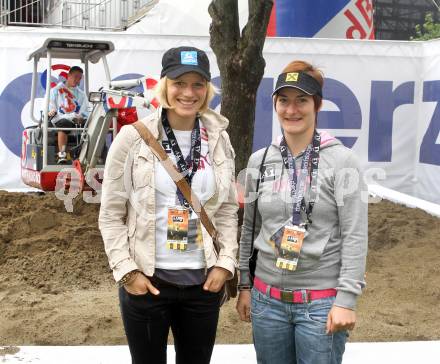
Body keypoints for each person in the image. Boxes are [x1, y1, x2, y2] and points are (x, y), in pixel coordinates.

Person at [99, 46, 238, 364]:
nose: (188, 93)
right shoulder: (132, 138)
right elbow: (110, 214)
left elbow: (227, 209)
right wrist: (127, 271)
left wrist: (224, 263)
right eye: (179, 83)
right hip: (148, 282)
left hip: (204, 283)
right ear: (164, 85)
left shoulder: (219, 138)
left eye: (197, 84)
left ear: (207, 89)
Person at [236, 60, 368, 364]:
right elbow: (250, 229)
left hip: (320, 305)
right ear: (275, 104)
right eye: (284, 100)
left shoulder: (343, 161)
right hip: (265, 302)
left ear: (317, 105)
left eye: (301, 101)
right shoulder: (260, 160)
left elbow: (354, 235)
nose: (291, 110)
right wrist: (245, 284)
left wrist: (346, 300)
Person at [48, 65, 88, 163]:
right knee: (64, 123)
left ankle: (87, 155)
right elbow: (51, 108)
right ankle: (62, 154)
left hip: (75, 120)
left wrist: (81, 117)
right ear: (68, 76)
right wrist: (52, 111)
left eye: (79, 78)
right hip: (60, 119)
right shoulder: (55, 91)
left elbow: (85, 110)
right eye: (75, 77)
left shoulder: (81, 94)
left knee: (90, 124)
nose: (77, 80)